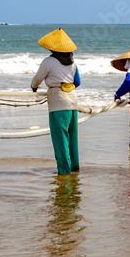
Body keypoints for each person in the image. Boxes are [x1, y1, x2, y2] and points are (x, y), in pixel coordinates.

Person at [30, 28, 81, 175]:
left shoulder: (48, 61)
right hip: (72, 100)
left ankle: (64, 172)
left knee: (60, 138)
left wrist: (33, 87)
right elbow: (77, 81)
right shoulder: (73, 62)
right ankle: (74, 168)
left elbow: (37, 79)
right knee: (72, 136)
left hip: (57, 101)